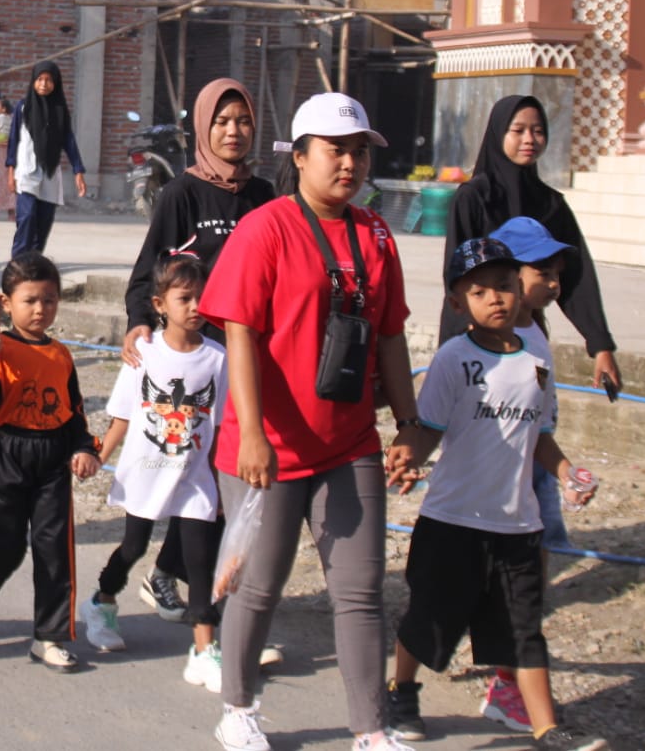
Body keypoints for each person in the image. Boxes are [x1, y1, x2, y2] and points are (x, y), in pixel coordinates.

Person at [199, 92, 422, 751]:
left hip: (348, 441)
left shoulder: (375, 233)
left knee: (359, 591)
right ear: (298, 157)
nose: (348, 164)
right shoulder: (264, 228)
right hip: (265, 447)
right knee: (258, 586)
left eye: (358, 152)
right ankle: (237, 708)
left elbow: (389, 337)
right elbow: (238, 332)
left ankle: (369, 728)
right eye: (335, 150)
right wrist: (256, 432)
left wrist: (407, 422)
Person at [385, 238, 604, 751]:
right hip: (453, 521)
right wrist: (406, 455)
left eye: (504, 286)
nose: (496, 299)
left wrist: (569, 472)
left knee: (525, 630)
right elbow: (429, 427)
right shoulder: (452, 359)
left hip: (518, 526)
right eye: (480, 291)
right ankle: (403, 690)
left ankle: (548, 728)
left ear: (521, 291)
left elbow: (540, 436)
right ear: (459, 303)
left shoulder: (538, 357)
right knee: (430, 619)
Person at [119, 77, 277, 621]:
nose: (233, 132)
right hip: (200, 361)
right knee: (197, 474)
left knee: (222, 478)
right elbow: (148, 275)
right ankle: (200, 599)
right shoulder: (181, 194)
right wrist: (139, 324)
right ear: (203, 128)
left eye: (242, 121)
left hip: (251, 360)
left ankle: (177, 576)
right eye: (222, 121)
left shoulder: (263, 196)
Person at [0, 251, 101, 671]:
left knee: (55, 550)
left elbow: (74, 412)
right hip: (8, 454)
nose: (40, 309)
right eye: (30, 300)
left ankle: (49, 637)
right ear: (5, 301)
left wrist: (85, 448)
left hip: (52, 460)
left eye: (49, 300)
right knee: (8, 546)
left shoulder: (62, 356)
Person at [82, 252, 227, 690]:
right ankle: (102, 601)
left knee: (201, 565)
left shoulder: (219, 358)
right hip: (146, 471)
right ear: (160, 304)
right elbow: (124, 414)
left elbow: (222, 424)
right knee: (132, 547)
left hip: (196, 477)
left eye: (203, 297)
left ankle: (204, 651)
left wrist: (223, 482)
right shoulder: (143, 352)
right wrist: (99, 454)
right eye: (186, 298)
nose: (197, 306)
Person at [439, 96, 621, 394]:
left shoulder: (551, 204)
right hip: (471, 331)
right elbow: (456, 274)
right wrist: (473, 329)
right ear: (499, 134)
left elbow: (578, 276)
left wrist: (600, 344)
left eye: (538, 131)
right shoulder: (474, 197)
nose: (529, 139)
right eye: (519, 130)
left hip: (525, 329)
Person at [6, 61, 87, 256]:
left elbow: (68, 139)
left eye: (49, 80)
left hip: (50, 172)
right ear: (33, 81)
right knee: (27, 217)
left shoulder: (59, 109)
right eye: (40, 79)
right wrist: (10, 171)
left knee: (44, 221)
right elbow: (14, 139)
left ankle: (34, 262)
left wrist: (78, 170)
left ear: (56, 83)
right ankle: (17, 263)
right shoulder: (23, 107)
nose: (44, 84)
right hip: (26, 171)